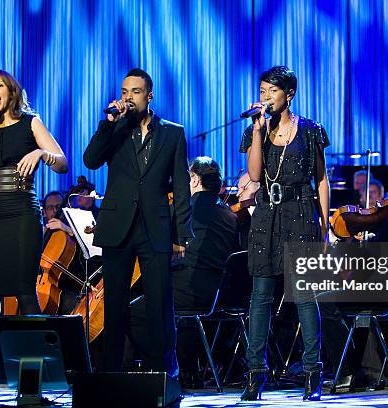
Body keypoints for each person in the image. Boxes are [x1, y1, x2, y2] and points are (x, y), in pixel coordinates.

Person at [83, 68, 191, 390]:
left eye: (135, 91)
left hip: (155, 228)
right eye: (124, 91)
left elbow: (182, 186)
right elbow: (90, 160)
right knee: (114, 306)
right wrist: (108, 123)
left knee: (159, 305)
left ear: (149, 95)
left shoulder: (173, 133)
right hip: (118, 227)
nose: (128, 97)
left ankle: (162, 377)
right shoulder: (115, 130)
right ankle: (110, 377)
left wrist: (182, 233)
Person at [0, 69, 67, 387]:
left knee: (24, 293)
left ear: (11, 92)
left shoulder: (30, 122)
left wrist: (40, 152)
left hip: (22, 213)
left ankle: (36, 374)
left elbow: (62, 161)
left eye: (0, 86)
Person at [239, 66, 330, 401]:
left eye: (271, 91)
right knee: (260, 297)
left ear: (288, 94)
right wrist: (259, 131)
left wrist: (325, 225)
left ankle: (312, 372)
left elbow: (320, 179)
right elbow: (253, 174)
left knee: (304, 297)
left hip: (302, 212)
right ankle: (255, 374)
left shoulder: (310, 130)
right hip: (267, 213)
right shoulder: (256, 129)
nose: (265, 97)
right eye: (262, 91)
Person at [127, 156, 239, 384]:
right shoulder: (229, 214)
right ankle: (186, 368)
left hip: (190, 290)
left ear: (195, 179)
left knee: (131, 311)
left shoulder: (184, 209)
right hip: (218, 294)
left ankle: (161, 370)